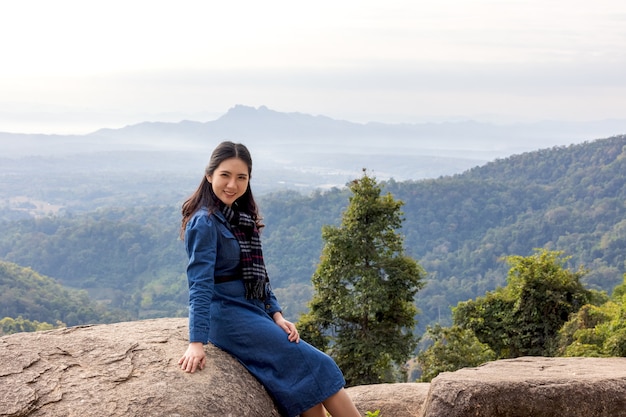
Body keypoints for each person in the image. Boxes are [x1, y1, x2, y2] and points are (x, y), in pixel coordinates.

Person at [178, 141, 361, 417]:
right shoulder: (204, 222)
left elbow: (259, 274)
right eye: (225, 175)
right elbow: (200, 285)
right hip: (227, 314)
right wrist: (196, 342)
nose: (232, 184)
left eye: (242, 177)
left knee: (303, 378)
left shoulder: (240, 218)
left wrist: (276, 314)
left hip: (252, 309)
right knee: (316, 363)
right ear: (209, 175)